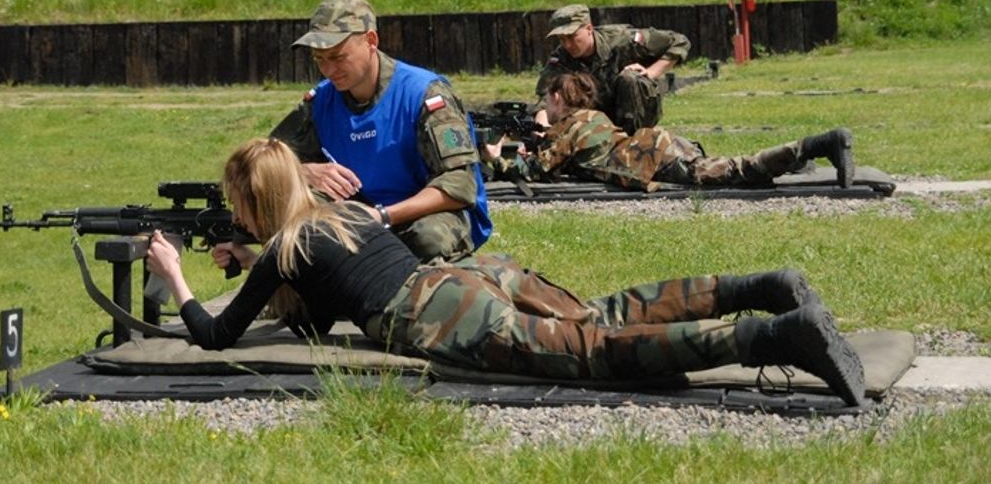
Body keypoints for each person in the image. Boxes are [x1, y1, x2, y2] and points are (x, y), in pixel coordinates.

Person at [145, 137, 867, 407]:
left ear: (254, 202)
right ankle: (759, 287)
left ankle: (773, 338)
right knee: (603, 317)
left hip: (432, 315)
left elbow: (215, 335)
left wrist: (178, 277)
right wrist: (249, 260)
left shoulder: (284, 249)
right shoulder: (352, 212)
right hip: (470, 275)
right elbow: (319, 298)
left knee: (592, 357)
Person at [269, 0, 491, 263]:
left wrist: (382, 216)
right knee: (297, 224)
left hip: (425, 217)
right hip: (361, 217)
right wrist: (305, 172)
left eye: (338, 57)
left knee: (429, 238)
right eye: (319, 59)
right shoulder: (320, 102)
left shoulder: (425, 94)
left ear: (371, 41)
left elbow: (460, 185)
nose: (328, 70)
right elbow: (264, 162)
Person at [489, 72, 855, 190]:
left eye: (547, 103)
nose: (545, 110)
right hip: (654, 144)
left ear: (557, 97)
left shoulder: (568, 128)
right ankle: (795, 158)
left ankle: (813, 146)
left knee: (735, 172)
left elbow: (535, 171)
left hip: (647, 159)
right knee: (727, 167)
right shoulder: (593, 117)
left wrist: (497, 159)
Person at [534, 4, 691, 134]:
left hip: (635, 112)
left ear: (589, 28)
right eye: (561, 39)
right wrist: (541, 129)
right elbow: (546, 97)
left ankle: (633, 139)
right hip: (593, 120)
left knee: (630, 78)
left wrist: (652, 72)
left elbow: (679, 41)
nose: (567, 45)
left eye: (572, 37)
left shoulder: (623, 40)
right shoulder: (561, 58)